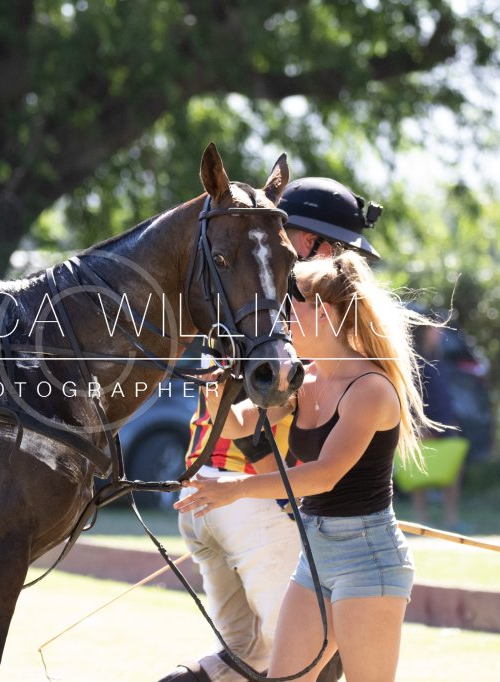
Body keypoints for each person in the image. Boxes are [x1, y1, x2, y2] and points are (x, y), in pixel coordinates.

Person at [175, 250, 438, 682]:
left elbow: (325, 475)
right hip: (316, 555)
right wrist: (215, 385)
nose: (280, 322)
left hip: (367, 558)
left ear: (325, 313)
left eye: (289, 310)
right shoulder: (304, 378)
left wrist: (236, 489)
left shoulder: (370, 389)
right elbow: (237, 424)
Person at [159, 178, 382, 682]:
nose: (341, 260)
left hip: (206, 494)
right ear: (305, 239)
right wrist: (288, 502)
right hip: (248, 499)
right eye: (336, 246)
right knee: (314, 651)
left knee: (247, 656)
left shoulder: (242, 295)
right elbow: (252, 430)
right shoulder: (281, 317)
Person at [404, 323, 469, 530]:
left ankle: (451, 519)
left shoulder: (439, 359)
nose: (439, 333)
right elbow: (411, 397)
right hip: (423, 428)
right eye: (435, 328)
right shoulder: (414, 360)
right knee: (419, 472)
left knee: (454, 469)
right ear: (424, 330)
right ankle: (421, 519)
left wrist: (451, 420)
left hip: (445, 425)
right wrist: (418, 426)